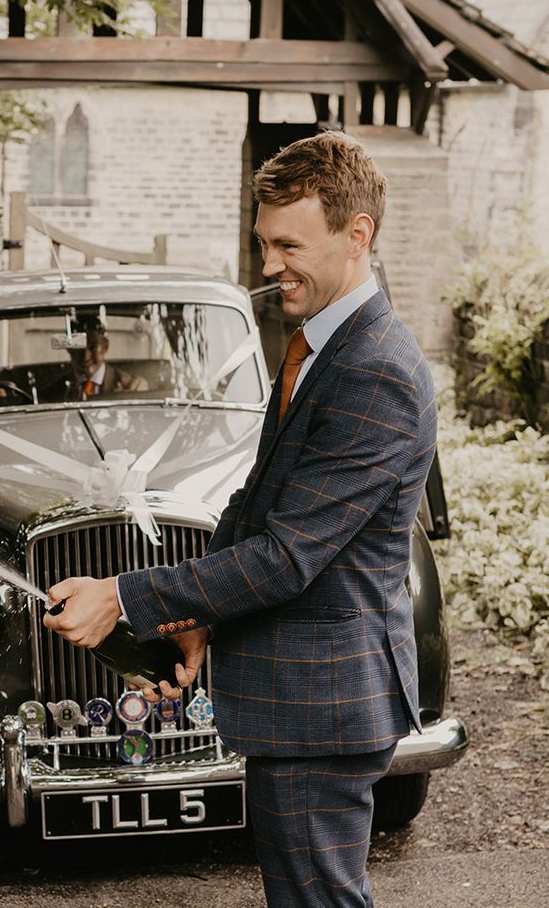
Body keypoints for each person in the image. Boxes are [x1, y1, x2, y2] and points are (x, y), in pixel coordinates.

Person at [43, 131, 436, 908]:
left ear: (356, 236)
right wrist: (191, 618)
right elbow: (257, 503)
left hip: (321, 705)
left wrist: (123, 595)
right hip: (302, 701)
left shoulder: (375, 371)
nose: (268, 266)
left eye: (288, 244)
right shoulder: (322, 343)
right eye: (263, 243)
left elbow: (287, 557)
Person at [52, 313, 148, 400]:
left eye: (93, 347)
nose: (85, 356)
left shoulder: (128, 386)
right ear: (69, 349)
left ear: (105, 347)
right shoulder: (54, 391)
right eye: (78, 347)